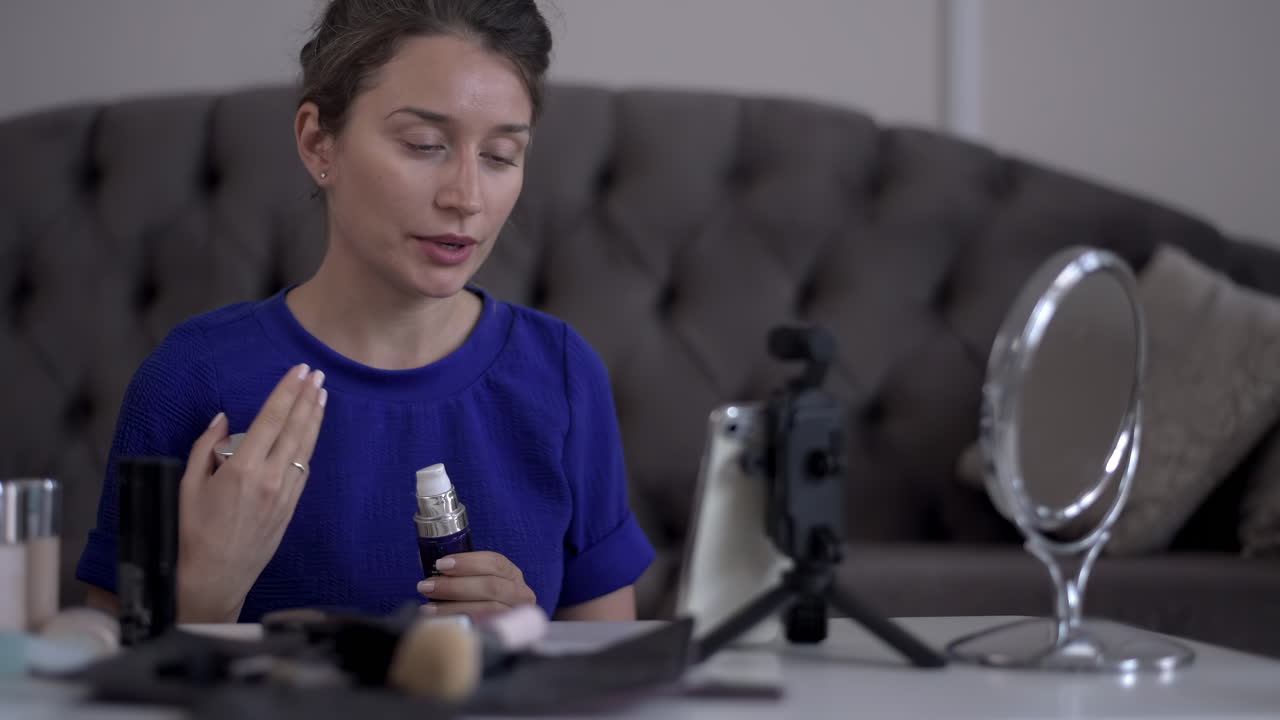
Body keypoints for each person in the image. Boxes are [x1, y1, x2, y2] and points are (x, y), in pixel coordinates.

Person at [77, 0, 654, 624]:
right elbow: (109, 687)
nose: (465, 198)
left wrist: (530, 640)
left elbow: (611, 680)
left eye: (499, 156)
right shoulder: (190, 378)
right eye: (424, 144)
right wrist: (208, 590)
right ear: (318, 141)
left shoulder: (562, 374)